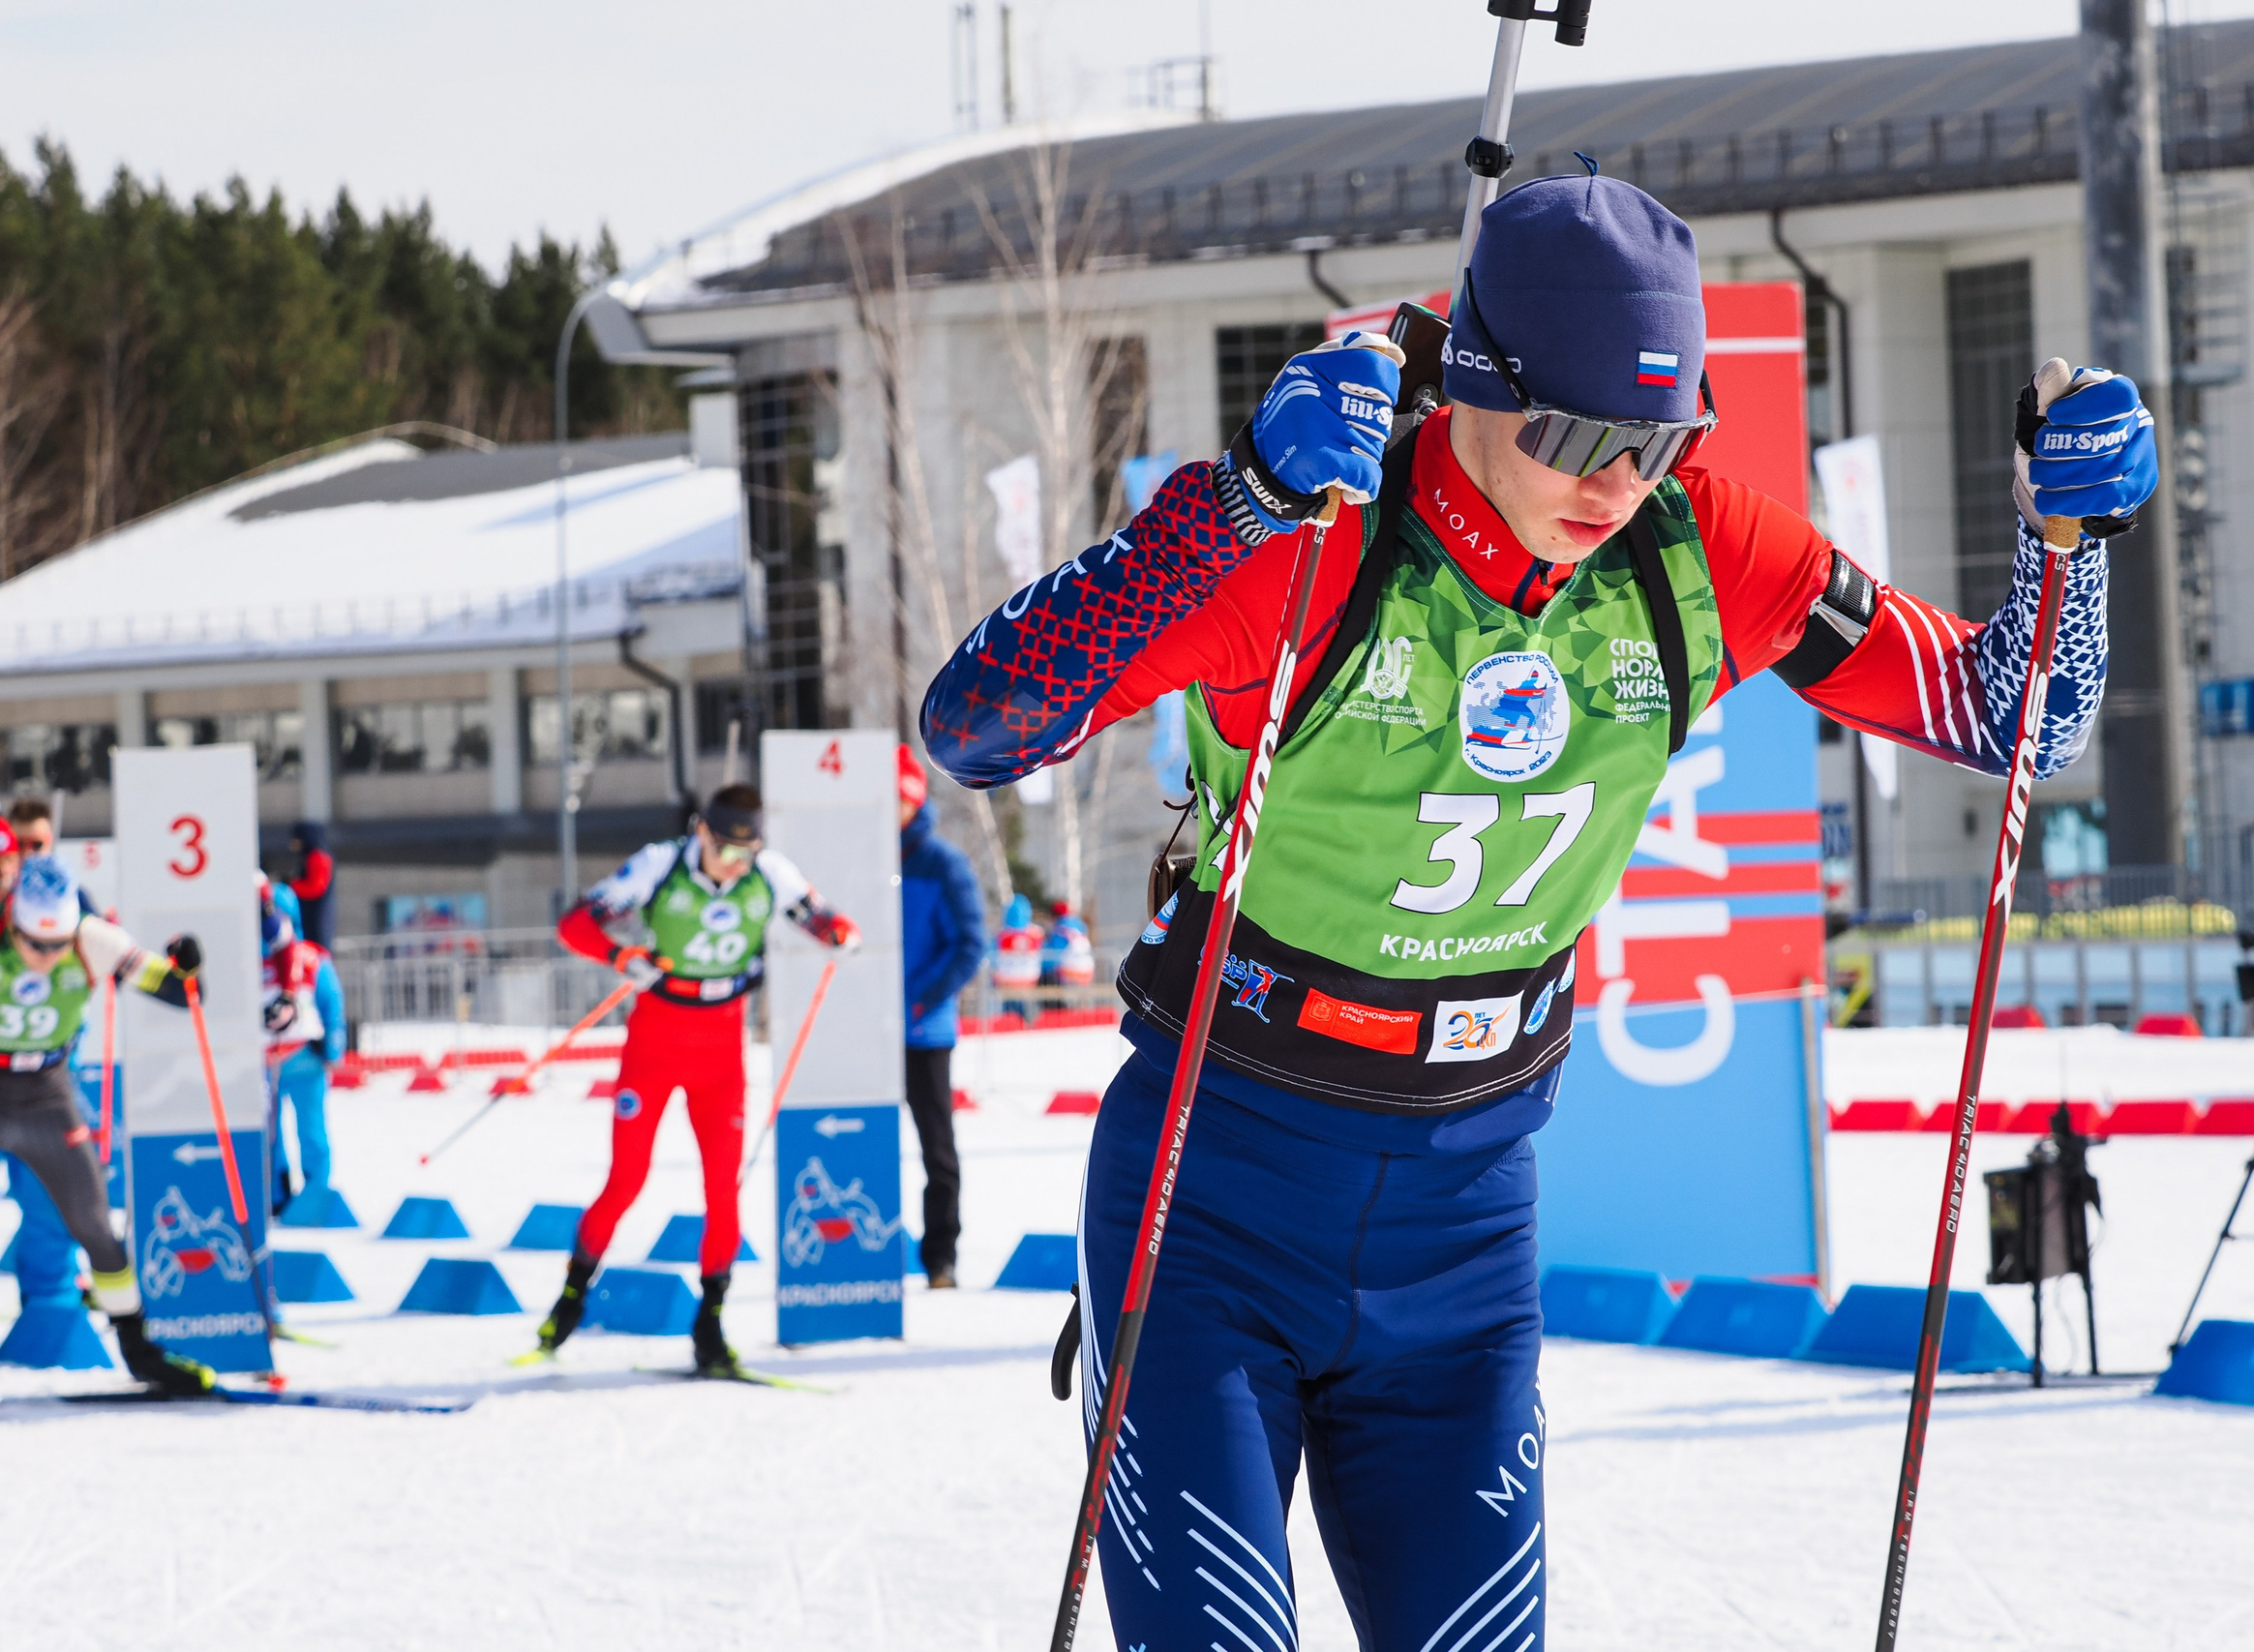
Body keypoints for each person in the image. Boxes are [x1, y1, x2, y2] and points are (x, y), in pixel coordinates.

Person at [921, 171, 2152, 1646]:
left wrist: (2062, 541)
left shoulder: (1698, 550)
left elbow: (2016, 717)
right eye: (1572, 433)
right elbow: (978, 725)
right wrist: (1235, 496)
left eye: (1658, 437)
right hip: (1218, 1195)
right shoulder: (1324, 538)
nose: (1614, 479)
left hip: (1466, 1224)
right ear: (1473, 389)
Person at [532, 783, 857, 1376]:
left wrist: (840, 933)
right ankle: (569, 1301)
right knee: (627, 1180)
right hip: (655, 1039)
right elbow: (574, 924)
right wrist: (619, 957)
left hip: (721, 1046)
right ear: (702, 833)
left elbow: (824, 918)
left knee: (721, 1190)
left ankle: (710, 1325)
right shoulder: (660, 864)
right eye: (726, 852)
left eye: (746, 855)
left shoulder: (771, 873)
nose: (736, 866)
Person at [0, 856, 213, 1392]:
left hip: (46, 1095)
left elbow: (180, 993)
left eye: (58, 945)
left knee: (95, 1225)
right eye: (35, 945)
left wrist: (187, 967)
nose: (47, 957)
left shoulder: (92, 939)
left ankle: (140, 1352)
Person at [897, 741, 987, 1290]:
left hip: (923, 1031)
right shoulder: (861, 855)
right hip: (868, 1033)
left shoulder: (941, 861)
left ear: (911, 800)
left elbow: (970, 944)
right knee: (866, 1137)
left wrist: (920, 1000)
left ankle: (940, 1258)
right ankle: (868, 1243)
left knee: (937, 1148)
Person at [259, 879, 346, 1217]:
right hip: (264, 1062)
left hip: (305, 1057)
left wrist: (333, 1048)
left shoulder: (308, 957)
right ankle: (275, 1192)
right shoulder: (249, 958)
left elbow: (331, 1002)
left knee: (311, 1129)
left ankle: (316, 1191)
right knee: (269, 1135)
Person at [285, 821, 335, 949]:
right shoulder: (309, 856)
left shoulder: (318, 856)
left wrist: (292, 886)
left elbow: (315, 888)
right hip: (308, 914)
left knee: (317, 948)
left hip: (317, 915)